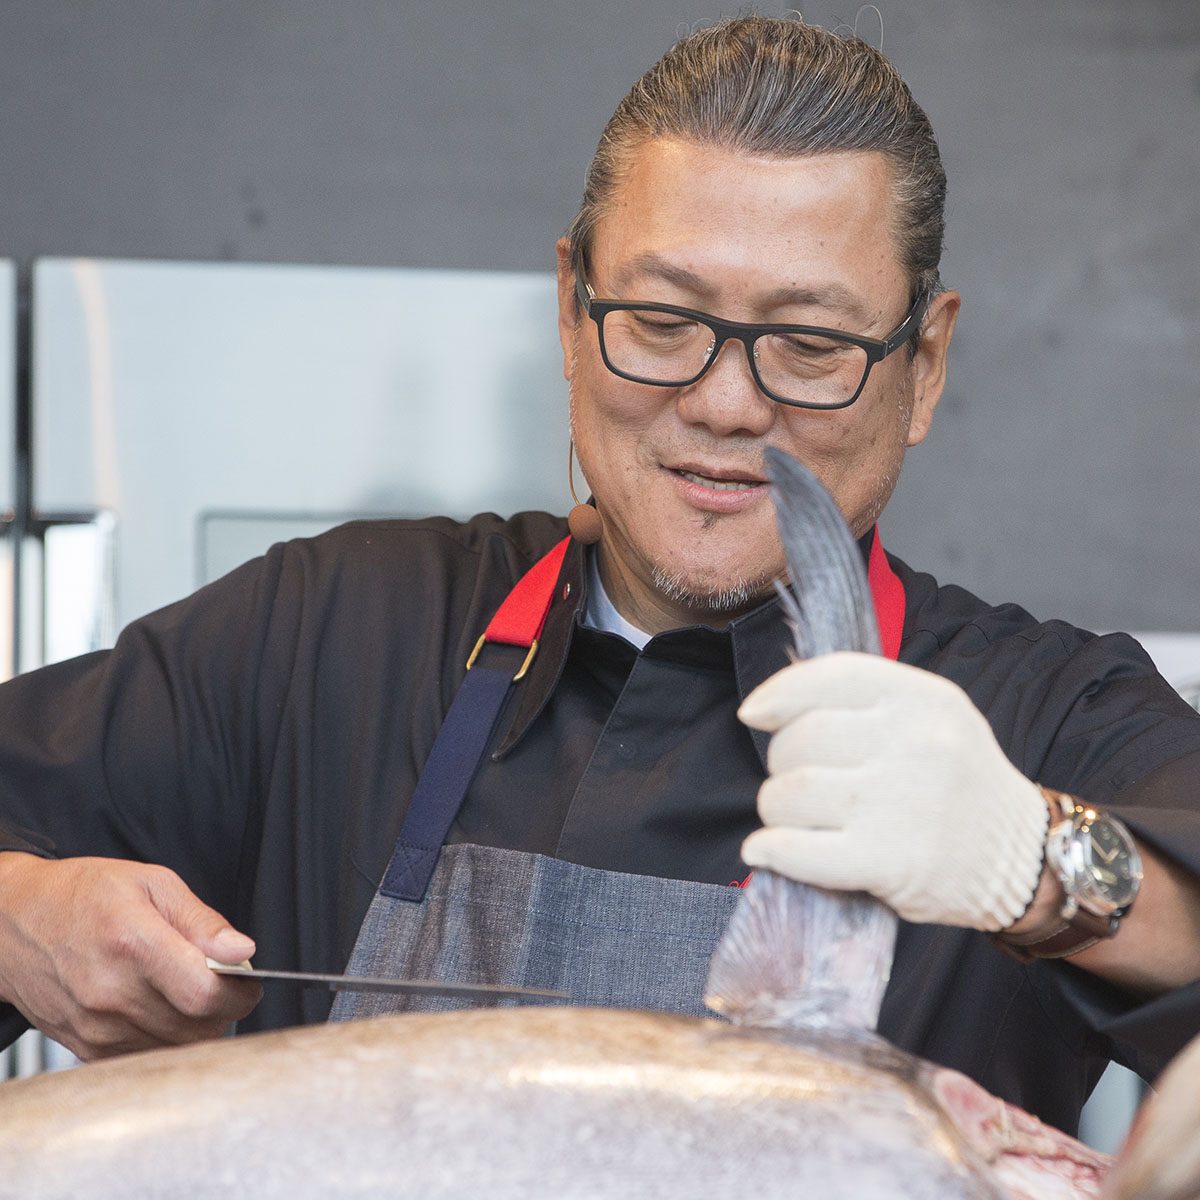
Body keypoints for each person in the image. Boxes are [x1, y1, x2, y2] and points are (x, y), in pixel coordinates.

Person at [0, 16, 1197, 1140]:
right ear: (573, 312)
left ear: (923, 365)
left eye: (812, 344)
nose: (727, 403)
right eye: (662, 319)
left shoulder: (1046, 717)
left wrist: (1032, 861)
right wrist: (19, 919)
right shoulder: (330, 630)